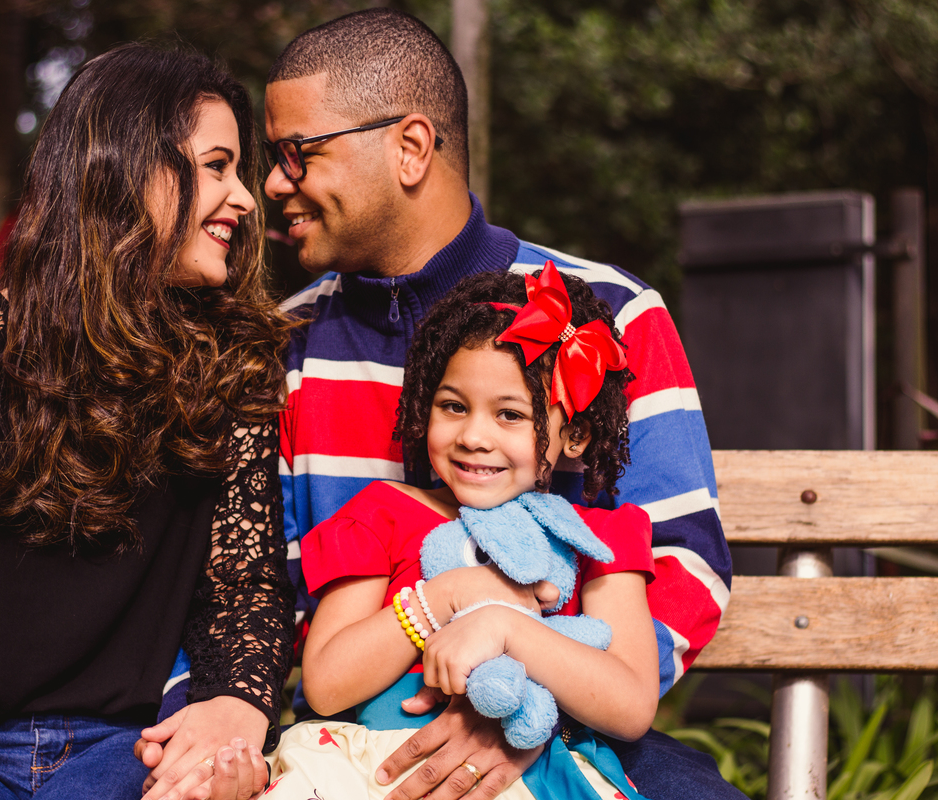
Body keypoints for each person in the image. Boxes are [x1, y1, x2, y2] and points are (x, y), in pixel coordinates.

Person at [261, 10, 742, 800]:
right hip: (357, 734)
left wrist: (538, 706)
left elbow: (683, 558)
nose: (274, 182)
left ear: (410, 148)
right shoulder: (286, 347)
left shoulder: (607, 316)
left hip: (569, 721)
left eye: (296, 153)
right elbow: (259, 587)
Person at [0, 43, 293, 800]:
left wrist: (236, 706)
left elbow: (243, 588)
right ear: (128, 166)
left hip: (125, 753)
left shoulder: (230, 368)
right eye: (218, 166)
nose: (247, 198)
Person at [265, 265, 660, 800]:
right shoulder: (382, 515)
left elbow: (631, 704)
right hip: (373, 772)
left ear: (573, 433)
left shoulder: (594, 539)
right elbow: (328, 685)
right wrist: (445, 598)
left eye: (510, 415)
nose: (474, 436)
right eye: (453, 407)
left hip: (532, 773)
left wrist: (508, 626)